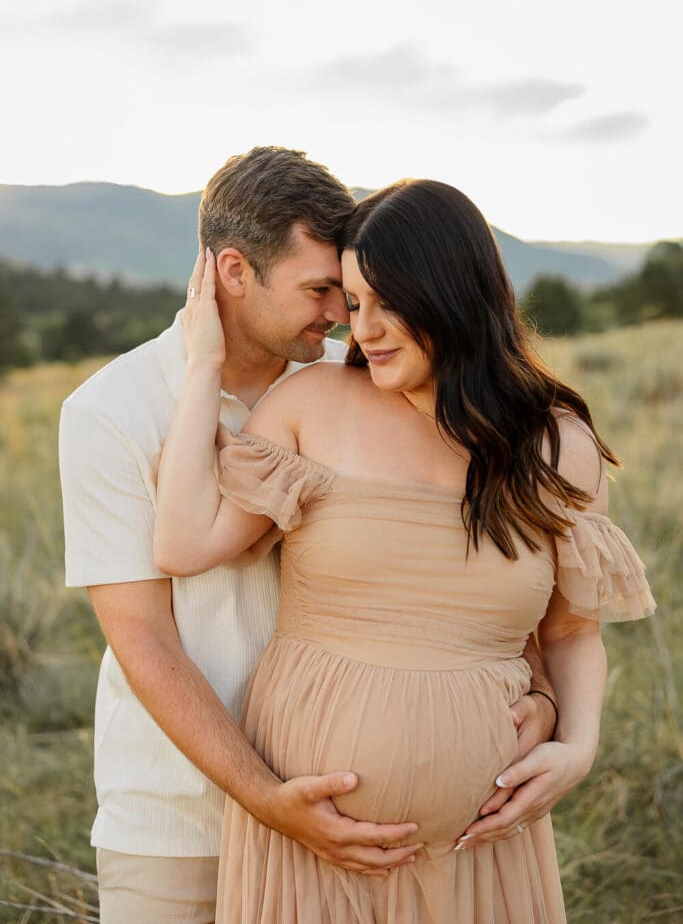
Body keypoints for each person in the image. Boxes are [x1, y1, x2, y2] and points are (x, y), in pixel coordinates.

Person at [59, 150, 558, 924]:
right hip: (183, 819)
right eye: (321, 290)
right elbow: (145, 643)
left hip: (358, 810)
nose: (340, 315)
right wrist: (268, 800)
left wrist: (539, 690)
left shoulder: (367, 378)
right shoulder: (112, 412)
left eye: (352, 292)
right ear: (233, 271)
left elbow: (462, 555)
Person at [154, 178, 655, 923]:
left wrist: (577, 747)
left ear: (454, 295)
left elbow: (570, 631)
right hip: (310, 839)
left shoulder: (556, 448)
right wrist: (202, 364)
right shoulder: (312, 406)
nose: (365, 330)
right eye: (353, 304)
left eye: (390, 304)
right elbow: (183, 543)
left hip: (481, 846)